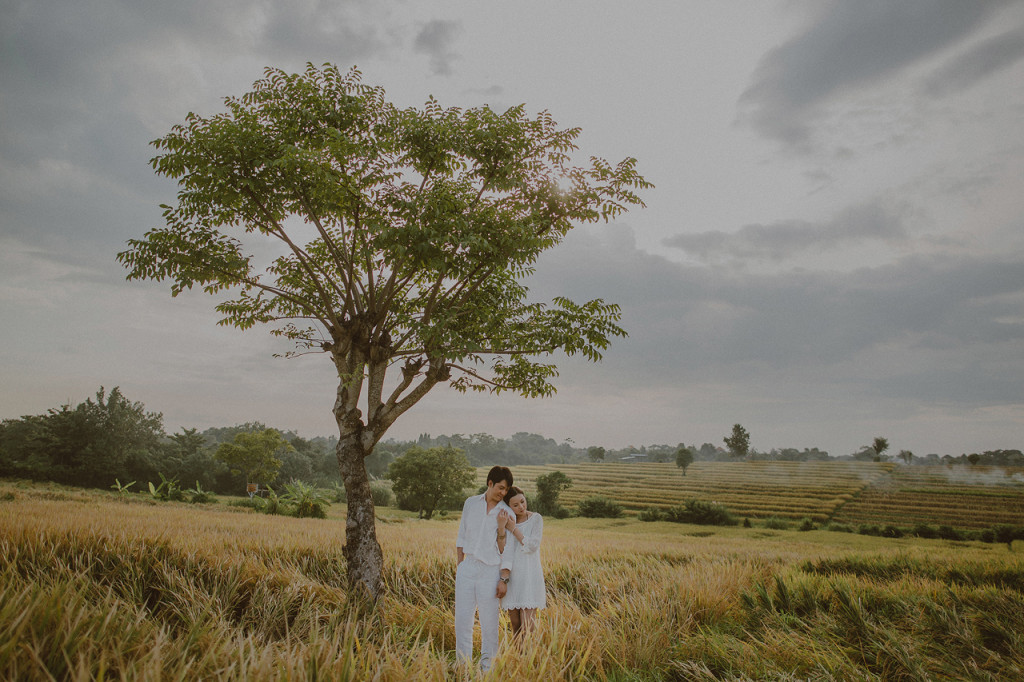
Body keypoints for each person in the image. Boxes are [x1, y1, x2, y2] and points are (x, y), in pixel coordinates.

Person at [454, 465, 515, 671]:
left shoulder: (507, 513)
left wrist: (503, 579)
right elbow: (461, 535)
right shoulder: (471, 503)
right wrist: (460, 566)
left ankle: (487, 670)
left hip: (491, 571)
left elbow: (506, 550)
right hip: (467, 568)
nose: (503, 493)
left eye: (506, 489)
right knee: (462, 621)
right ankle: (462, 667)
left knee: (489, 624)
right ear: (490, 483)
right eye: (500, 488)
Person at [500, 486, 546, 642]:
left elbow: (532, 546)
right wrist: (505, 527)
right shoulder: (507, 521)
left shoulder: (536, 519)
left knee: (527, 627)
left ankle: (528, 656)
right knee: (515, 625)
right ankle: (517, 656)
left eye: (522, 501)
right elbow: (503, 549)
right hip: (513, 578)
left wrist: (514, 529)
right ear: (508, 506)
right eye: (515, 505)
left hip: (529, 577)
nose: (521, 506)